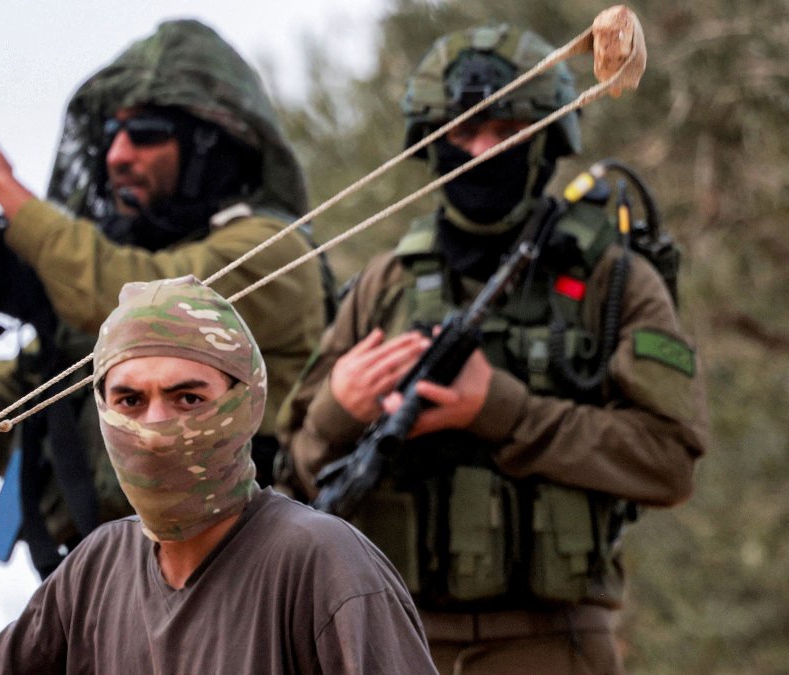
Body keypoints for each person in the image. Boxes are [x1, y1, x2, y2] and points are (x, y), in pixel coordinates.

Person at [277, 23, 708, 674]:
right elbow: (289, 487)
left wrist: (503, 411)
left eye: (507, 131)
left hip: (553, 644)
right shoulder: (384, 286)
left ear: (547, 139)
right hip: (389, 636)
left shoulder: (612, 279)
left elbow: (670, 462)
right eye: (463, 132)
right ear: (431, 142)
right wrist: (337, 411)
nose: (483, 151)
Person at [0, 19, 330, 577]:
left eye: (145, 134)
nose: (118, 155)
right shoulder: (98, 294)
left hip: (239, 581)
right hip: (102, 595)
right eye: (111, 138)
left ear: (207, 146)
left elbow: (144, 300)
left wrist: (4, 187)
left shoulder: (268, 250)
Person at [0, 276, 437, 674]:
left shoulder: (321, 563)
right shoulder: (98, 569)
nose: (155, 426)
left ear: (248, 402)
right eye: (130, 401)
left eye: (189, 398)